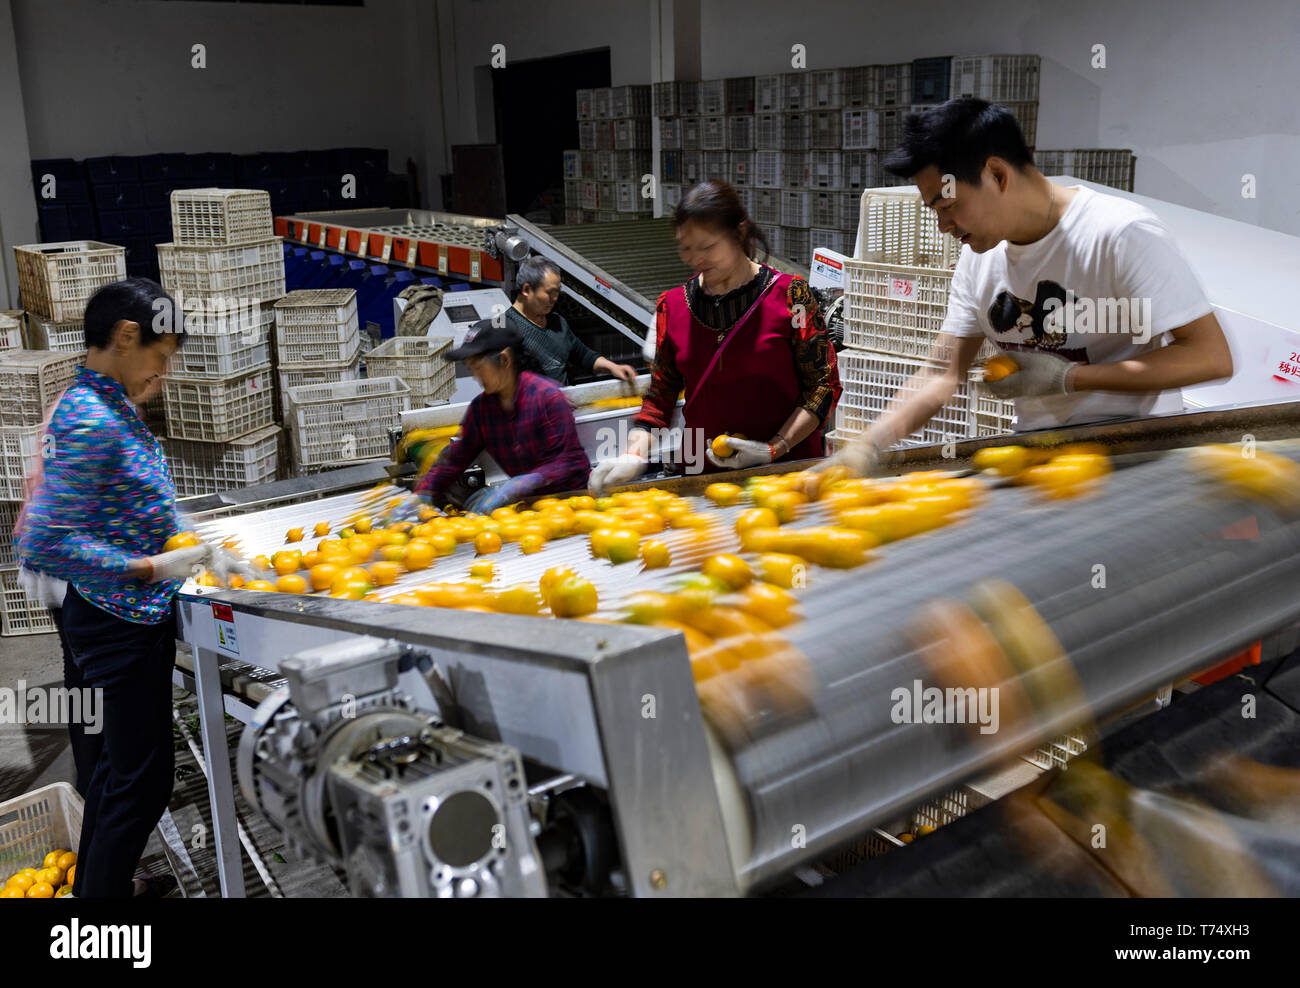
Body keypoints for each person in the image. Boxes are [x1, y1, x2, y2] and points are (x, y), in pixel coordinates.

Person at [829, 98, 1233, 474]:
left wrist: (1069, 378)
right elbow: (941, 374)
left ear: (997, 174)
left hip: (1136, 456)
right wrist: (867, 446)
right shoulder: (978, 259)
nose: (944, 227)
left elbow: (1210, 356)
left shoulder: (1120, 234)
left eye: (948, 206)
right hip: (1039, 459)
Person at [16, 278, 248, 898]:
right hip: (117, 623)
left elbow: (136, 498)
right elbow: (42, 543)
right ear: (125, 337)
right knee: (140, 784)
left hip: (122, 619)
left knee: (123, 778)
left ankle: (98, 899)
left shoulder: (108, 402)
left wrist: (191, 537)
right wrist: (151, 569)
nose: (164, 373)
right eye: (161, 356)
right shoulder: (90, 417)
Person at [589, 180, 842, 493]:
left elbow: (823, 386)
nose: (696, 259)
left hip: (786, 474)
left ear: (738, 233)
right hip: (702, 478)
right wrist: (632, 454)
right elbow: (659, 399)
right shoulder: (672, 307)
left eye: (707, 247)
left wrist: (774, 448)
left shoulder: (792, 296)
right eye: (685, 248)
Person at [415, 320, 591, 512]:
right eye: (471, 368)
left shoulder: (547, 396)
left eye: (478, 367)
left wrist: (523, 483)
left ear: (505, 360)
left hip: (573, 504)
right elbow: (455, 459)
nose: (475, 376)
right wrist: (424, 492)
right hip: (530, 512)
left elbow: (568, 462)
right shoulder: (481, 409)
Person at [506, 256, 638, 387]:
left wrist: (613, 367)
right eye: (550, 292)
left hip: (560, 404)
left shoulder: (557, 323)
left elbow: (583, 355)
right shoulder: (504, 327)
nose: (555, 298)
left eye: (557, 292)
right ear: (526, 290)